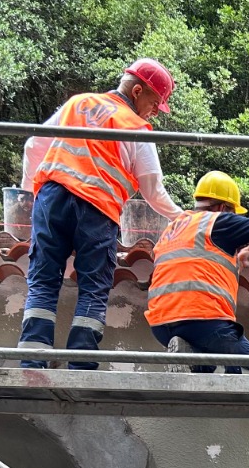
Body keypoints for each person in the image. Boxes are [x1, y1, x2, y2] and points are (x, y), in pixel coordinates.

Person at [18, 59, 184, 369]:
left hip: (52, 198)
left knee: (43, 280)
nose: (153, 112)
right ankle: (81, 365)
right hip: (97, 208)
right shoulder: (135, 126)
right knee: (93, 286)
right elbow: (152, 189)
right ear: (137, 91)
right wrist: (183, 217)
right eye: (153, 102)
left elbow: (33, 146)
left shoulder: (78, 103)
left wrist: (32, 192)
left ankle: (32, 362)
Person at [144, 171, 249, 375]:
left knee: (209, 368)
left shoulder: (175, 227)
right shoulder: (218, 221)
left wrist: (237, 263)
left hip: (161, 325)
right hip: (201, 321)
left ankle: (194, 359)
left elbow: (189, 266)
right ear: (222, 207)